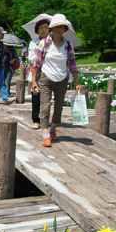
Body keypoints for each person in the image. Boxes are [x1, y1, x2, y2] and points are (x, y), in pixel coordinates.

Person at [30, 14, 81, 147]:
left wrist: (77, 83)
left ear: (65, 29)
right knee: (45, 106)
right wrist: (34, 82)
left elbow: (72, 64)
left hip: (62, 79)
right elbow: (36, 64)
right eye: (57, 27)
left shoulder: (68, 45)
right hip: (46, 78)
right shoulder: (44, 43)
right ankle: (45, 133)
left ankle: (53, 129)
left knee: (59, 107)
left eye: (62, 27)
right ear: (52, 28)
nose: (60, 30)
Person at [23, 13, 53, 129]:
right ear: (36, 30)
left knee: (46, 99)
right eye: (40, 28)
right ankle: (35, 120)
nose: (43, 30)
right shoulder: (33, 42)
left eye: (46, 27)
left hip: (48, 73)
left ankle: (44, 119)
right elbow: (31, 59)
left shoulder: (52, 42)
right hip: (36, 73)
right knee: (35, 98)